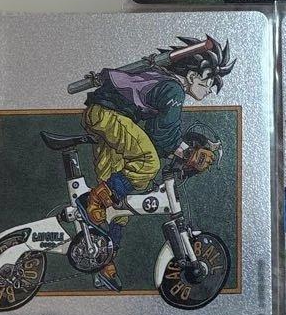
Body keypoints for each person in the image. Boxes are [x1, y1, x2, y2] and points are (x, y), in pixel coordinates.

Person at [80, 36, 234, 290]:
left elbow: (155, 133)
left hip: (105, 118)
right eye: (208, 83)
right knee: (147, 163)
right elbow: (164, 135)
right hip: (109, 116)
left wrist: (180, 152)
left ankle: (104, 264)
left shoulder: (162, 81)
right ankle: (94, 200)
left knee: (119, 204)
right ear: (193, 75)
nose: (208, 90)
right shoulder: (174, 89)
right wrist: (187, 153)